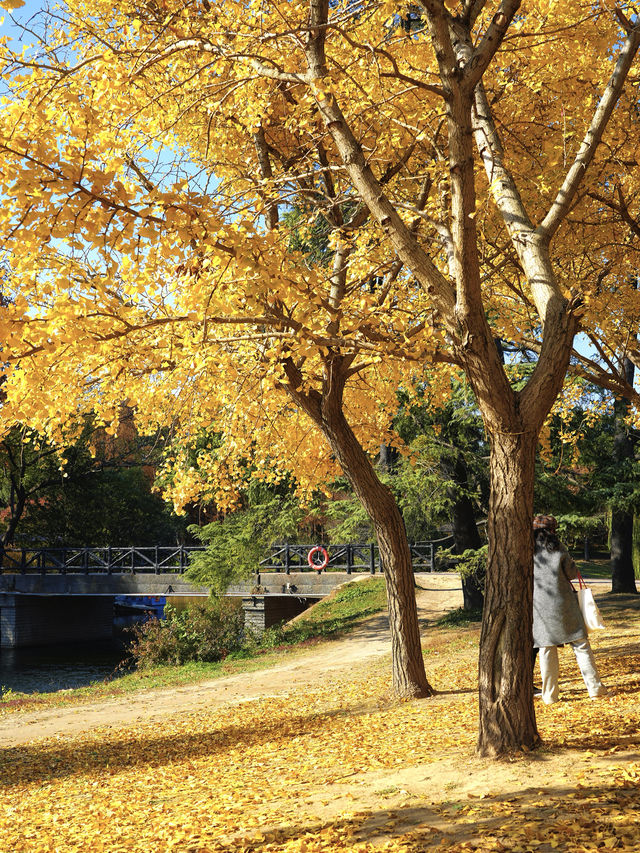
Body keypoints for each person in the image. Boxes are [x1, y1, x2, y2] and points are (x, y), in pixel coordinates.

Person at [532, 515, 608, 704]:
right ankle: (595, 690)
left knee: (546, 649)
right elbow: (572, 573)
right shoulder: (558, 548)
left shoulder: (527, 550)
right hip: (564, 604)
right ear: (552, 530)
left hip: (539, 607)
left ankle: (550, 696)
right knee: (581, 645)